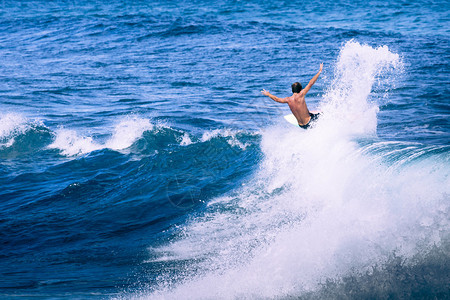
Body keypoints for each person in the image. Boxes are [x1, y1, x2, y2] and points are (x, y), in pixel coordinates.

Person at [261, 63, 323, 129]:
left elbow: (277, 99)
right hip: (309, 122)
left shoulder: (288, 99)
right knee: (323, 115)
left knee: (308, 113)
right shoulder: (301, 94)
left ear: (292, 90)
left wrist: (268, 94)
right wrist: (319, 71)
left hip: (301, 125)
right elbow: (311, 83)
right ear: (300, 89)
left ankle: (308, 113)